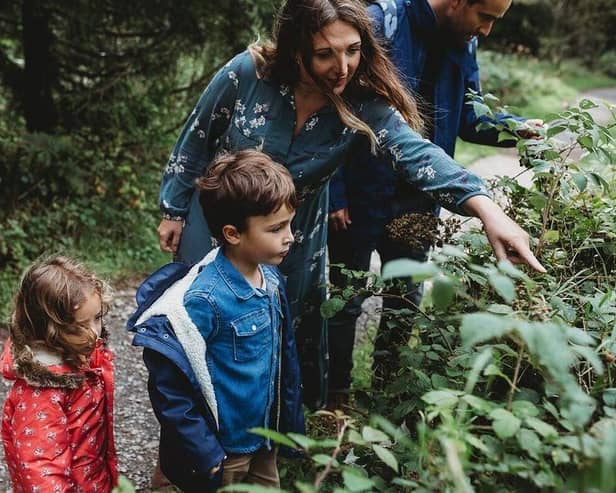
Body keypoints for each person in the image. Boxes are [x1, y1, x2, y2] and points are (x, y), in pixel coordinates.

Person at [156, 0, 545, 409]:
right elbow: (197, 139)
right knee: (198, 326)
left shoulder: (362, 104)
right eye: (326, 54)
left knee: (277, 336)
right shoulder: (247, 74)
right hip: (218, 224)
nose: (342, 66)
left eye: (353, 50)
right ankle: (182, 446)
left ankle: (266, 443)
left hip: (293, 237)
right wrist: (173, 209)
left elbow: (419, 156)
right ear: (296, 49)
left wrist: (486, 208)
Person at [326, 0, 543, 402]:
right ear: (459, 2)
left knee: (404, 298)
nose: (488, 31)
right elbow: (333, 101)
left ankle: (386, 396)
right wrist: (333, 189)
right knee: (344, 299)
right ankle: (334, 399)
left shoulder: (465, 41)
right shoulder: (378, 24)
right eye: (486, 17)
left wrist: (516, 129)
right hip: (358, 193)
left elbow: (469, 118)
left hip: (422, 199)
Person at [129, 150, 304, 492]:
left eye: (289, 224)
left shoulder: (271, 281)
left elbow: (284, 359)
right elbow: (170, 386)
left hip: (263, 440)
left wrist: (289, 428)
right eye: (276, 228)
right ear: (233, 233)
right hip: (223, 453)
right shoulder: (202, 300)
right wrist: (206, 454)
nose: (290, 236)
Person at [1, 255, 117, 492]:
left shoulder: (79, 352)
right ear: (49, 331)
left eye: (97, 318)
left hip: (92, 479)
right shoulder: (40, 394)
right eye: (80, 326)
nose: (95, 333)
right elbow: (40, 467)